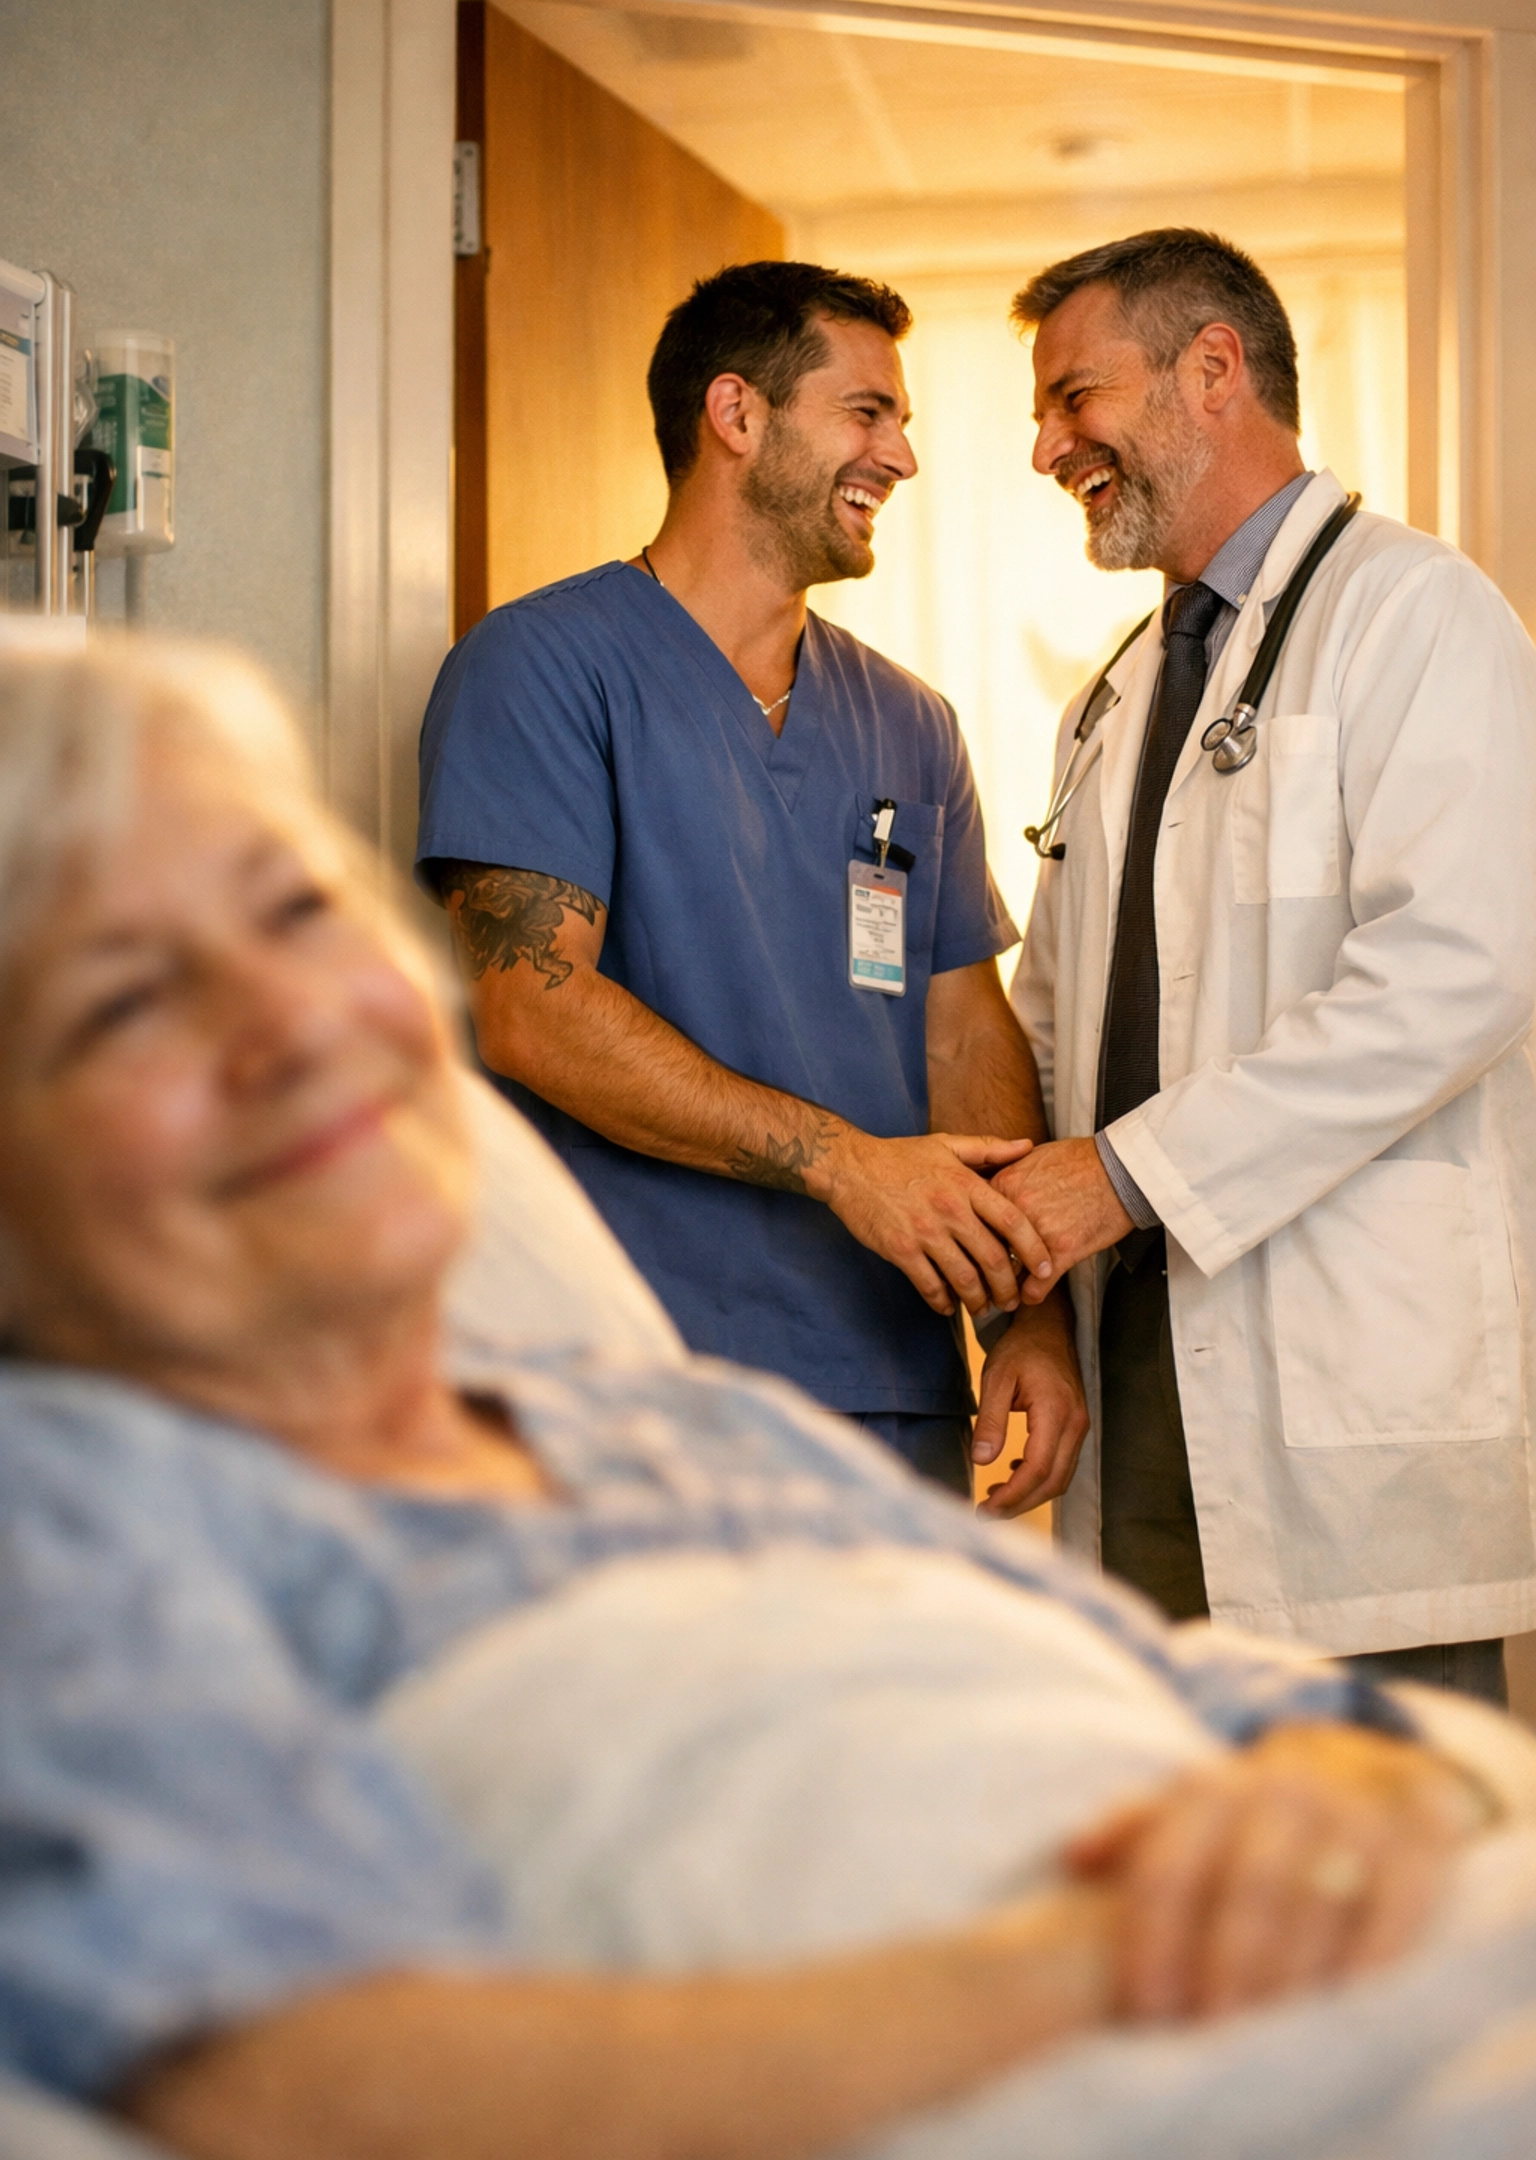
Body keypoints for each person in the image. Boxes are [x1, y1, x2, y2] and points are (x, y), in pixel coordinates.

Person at [0, 641, 1528, 2160]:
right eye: (125, 1004)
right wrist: (1112, 1954)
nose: (294, 1025)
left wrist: (1331, 1799)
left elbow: (1259, 1717)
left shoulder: (673, 1429)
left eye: (295, 911)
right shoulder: (76, 1510)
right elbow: (297, 2075)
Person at [974, 227, 1536, 1706]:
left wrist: (1125, 1175)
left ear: (1212, 369)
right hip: (1138, 1374)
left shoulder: (1415, 616)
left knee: (1392, 1882)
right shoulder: (1118, 688)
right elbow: (1049, 1025)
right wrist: (1025, 1299)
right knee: (1186, 1874)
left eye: (1072, 397)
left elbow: (1462, 971)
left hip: (1344, 1389)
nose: (1046, 446)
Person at [416, 259, 1085, 1499]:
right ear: (737, 416)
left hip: (891, 1388)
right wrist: (845, 1164)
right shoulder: (543, 669)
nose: (901, 456)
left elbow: (959, 1025)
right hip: (630, 1387)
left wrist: (1025, 1313)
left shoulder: (909, 724)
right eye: (867, 412)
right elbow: (531, 1008)